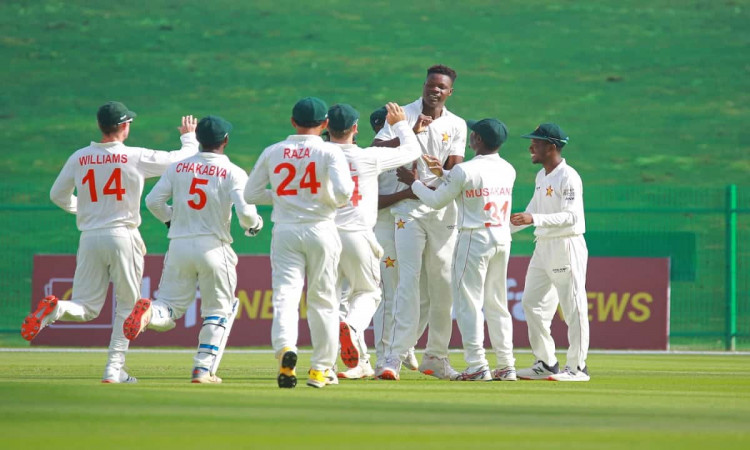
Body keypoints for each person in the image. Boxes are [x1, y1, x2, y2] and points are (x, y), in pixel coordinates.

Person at [21, 101, 198, 383]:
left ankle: (56, 309)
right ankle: (113, 370)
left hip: (90, 237)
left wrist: (86, 210)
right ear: (125, 126)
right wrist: (189, 135)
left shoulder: (80, 157)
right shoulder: (134, 156)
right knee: (128, 308)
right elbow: (183, 158)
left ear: (100, 126)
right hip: (123, 236)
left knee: (86, 307)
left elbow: (57, 195)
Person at [122, 116, 263, 384]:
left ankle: (150, 312)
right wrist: (254, 225)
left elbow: (153, 201)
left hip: (179, 246)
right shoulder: (233, 171)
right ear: (226, 141)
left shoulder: (179, 168)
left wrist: (171, 219)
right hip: (214, 246)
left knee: (170, 307)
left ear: (198, 140)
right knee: (219, 310)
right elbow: (246, 213)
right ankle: (202, 369)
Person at [244, 97, 354, 389]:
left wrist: (282, 197)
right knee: (324, 301)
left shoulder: (273, 151)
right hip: (321, 229)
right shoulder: (330, 151)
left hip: (285, 230)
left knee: (285, 296)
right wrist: (324, 200)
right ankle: (320, 368)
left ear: (292, 122)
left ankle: (285, 349)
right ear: (326, 124)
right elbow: (344, 193)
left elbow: (252, 194)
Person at [398, 118, 518, 381]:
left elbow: (436, 201)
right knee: (497, 304)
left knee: (469, 304)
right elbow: (471, 184)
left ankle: (477, 364)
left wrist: (413, 182)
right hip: (501, 237)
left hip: (474, 239)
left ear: (477, 140)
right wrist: (442, 173)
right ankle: (507, 365)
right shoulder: (509, 169)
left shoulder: (465, 170)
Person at [373, 65, 466, 381]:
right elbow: (375, 150)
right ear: (424, 86)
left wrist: (428, 185)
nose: (435, 90)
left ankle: (436, 357)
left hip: (441, 212)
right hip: (407, 213)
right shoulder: (402, 114)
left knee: (441, 286)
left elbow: (454, 170)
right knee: (407, 283)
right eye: (431, 85)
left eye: (441, 87)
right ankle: (392, 358)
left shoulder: (456, 124)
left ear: (449, 92)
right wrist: (409, 132)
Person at [327, 103, 420, 379]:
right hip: (357, 234)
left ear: (326, 128)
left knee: (330, 301)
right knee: (369, 293)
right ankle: (354, 329)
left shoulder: (316, 157)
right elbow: (412, 151)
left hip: (324, 235)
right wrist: (402, 123)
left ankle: (331, 366)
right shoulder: (368, 156)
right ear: (355, 129)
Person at [510, 123, 590, 382]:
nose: (530, 147)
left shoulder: (568, 176)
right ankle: (546, 362)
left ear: (551, 147)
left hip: (565, 245)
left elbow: (571, 216)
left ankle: (578, 368)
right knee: (531, 304)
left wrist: (534, 218)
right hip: (542, 246)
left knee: (573, 307)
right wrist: (496, 231)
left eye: (536, 142)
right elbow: (530, 212)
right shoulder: (542, 176)